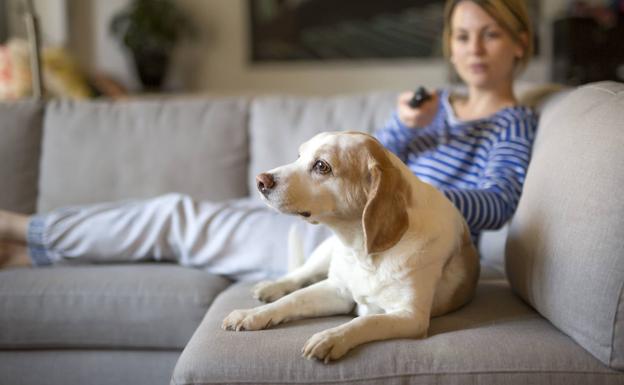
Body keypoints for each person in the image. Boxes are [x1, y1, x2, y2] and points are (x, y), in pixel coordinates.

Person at [0, 0, 537, 280]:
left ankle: (24, 230)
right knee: (184, 222)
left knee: (175, 218)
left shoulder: (512, 124)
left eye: (490, 34)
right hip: (328, 219)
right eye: (463, 36)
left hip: (375, 245)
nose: (474, 49)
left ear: (519, 43)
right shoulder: (431, 106)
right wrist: (403, 129)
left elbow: (497, 203)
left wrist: (408, 197)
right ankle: (33, 253)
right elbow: (369, 164)